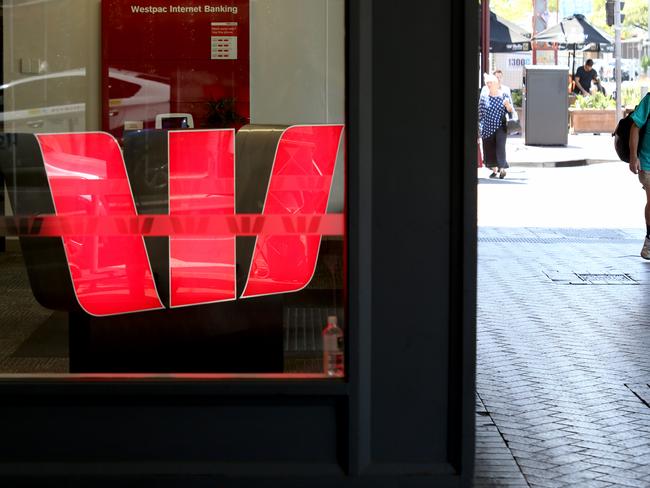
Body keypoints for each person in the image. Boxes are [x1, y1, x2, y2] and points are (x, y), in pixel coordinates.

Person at [478, 73, 514, 179]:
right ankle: (494, 169)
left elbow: (510, 111)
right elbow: (480, 113)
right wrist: (479, 128)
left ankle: (502, 168)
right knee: (489, 148)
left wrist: (508, 106)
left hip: (500, 126)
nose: (489, 85)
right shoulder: (484, 97)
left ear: (496, 84)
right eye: (487, 83)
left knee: (500, 147)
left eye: (491, 83)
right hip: (487, 127)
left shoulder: (503, 95)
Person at [628, 93, 650, 259]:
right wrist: (633, 157)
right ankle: (649, 240)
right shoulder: (649, 100)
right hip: (647, 163)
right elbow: (635, 127)